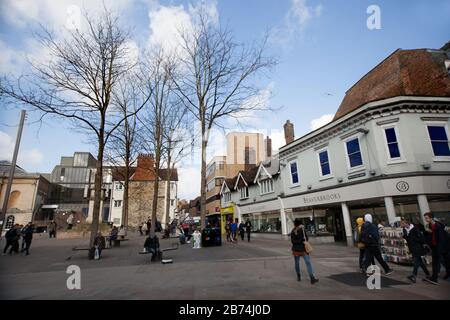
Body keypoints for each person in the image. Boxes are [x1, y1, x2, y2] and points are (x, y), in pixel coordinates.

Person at [423, 212, 450, 285]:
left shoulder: (438, 225)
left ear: (431, 218)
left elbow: (441, 238)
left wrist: (439, 249)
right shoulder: (429, 225)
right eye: (425, 218)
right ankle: (438, 276)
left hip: (442, 246)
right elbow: (432, 236)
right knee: (443, 261)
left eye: (427, 218)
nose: (426, 219)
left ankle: (434, 278)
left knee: (441, 261)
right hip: (436, 246)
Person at [400, 217, 430, 283]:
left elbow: (421, 239)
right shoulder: (404, 229)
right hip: (412, 248)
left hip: (417, 247)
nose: (401, 224)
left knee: (416, 261)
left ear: (406, 223)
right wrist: (404, 236)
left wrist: (413, 239)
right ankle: (427, 273)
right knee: (420, 261)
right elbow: (408, 239)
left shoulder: (415, 229)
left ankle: (414, 275)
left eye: (402, 223)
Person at [291, 219, 319, 284]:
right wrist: (301, 240)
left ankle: (302, 276)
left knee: (301, 263)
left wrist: (302, 239)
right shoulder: (299, 230)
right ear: (300, 224)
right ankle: (310, 277)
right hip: (301, 249)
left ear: (295, 224)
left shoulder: (296, 231)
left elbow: (293, 241)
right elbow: (304, 239)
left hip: (298, 250)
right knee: (305, 263)